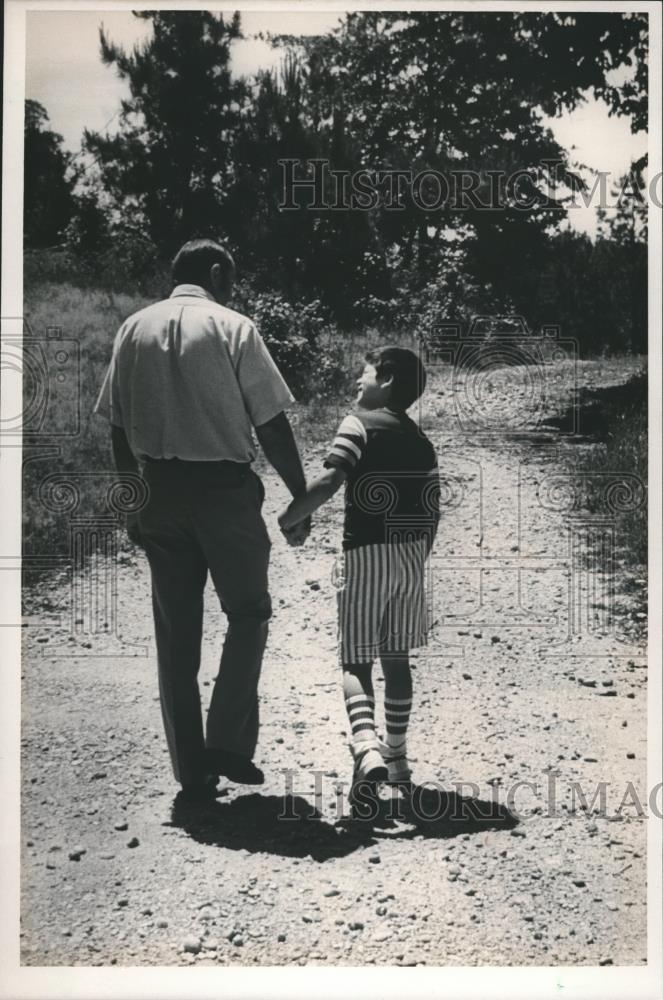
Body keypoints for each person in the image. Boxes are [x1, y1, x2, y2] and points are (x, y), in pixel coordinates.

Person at [94, 239, 309, 801]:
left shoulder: (131, 329)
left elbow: (116, 426)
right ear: (217, 273)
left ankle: (192, 770)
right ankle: (228, 744)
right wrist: (300, 494)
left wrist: (130, 499)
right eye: (230, 278)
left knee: (176, 633)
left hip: (158, 491)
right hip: (223, 493)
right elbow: (271, 423)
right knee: (249, 612)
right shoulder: (233, 327)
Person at [278, 347, 439, 807]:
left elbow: (330, 481)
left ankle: (365, 745)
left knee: (355, 661)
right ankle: (399, 760)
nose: (356, 383)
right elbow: (432, 507)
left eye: (364, 374)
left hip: (366, 553)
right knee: (396, 658)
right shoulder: (420, 439)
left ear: (385, 380)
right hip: (410, 556)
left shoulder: (358, 425)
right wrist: (418, 556)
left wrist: (289, 517)